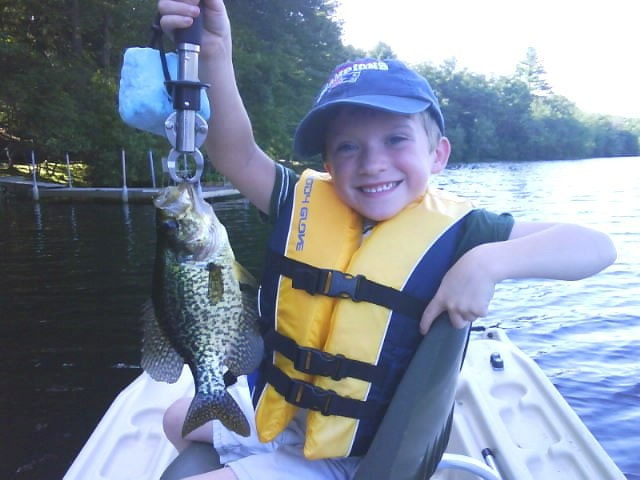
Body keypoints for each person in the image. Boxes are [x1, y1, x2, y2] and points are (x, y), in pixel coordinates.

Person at [156, 1, 617, 479]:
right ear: (329, 165)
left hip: (352, 453)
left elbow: (596, 247)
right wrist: (213, 51)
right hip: (284, 409)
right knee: (174, 418)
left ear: (437, 154)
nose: (373, 162)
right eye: (348, 147)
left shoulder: (466, 233)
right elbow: (235, 150)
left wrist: (488, 264)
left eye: (396, 140)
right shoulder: (301, 201)